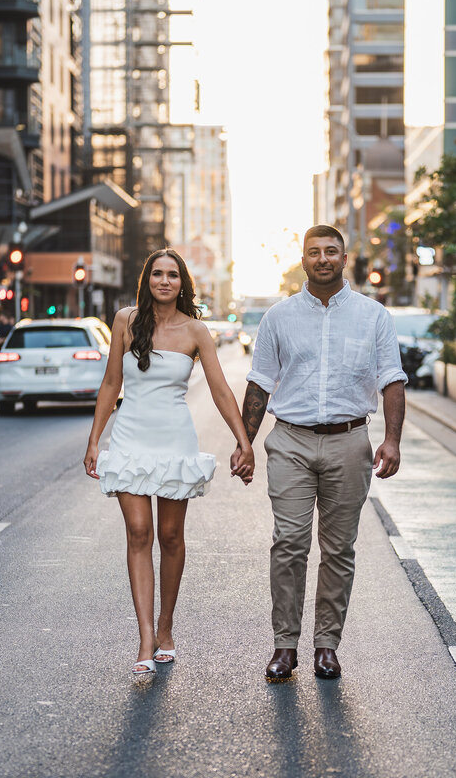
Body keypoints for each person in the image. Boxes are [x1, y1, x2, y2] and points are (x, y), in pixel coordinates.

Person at [241, 224, 406, 682]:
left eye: (331, 251)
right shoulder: (278, 317)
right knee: (289, 543)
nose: (323, 259)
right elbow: (259, 383)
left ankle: (326, 646)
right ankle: (285, 645)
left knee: (338, 549)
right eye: (314, 252)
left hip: (350, 441)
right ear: (303, 261)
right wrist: (245, 443)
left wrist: (392, 439)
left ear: (344, 259)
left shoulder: (373, 316)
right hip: (290, 441)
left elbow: (392, 379)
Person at [84, 249, 255, 677]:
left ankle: (166, 625)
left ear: (182, 284)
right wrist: (94, 440)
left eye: (172, 275)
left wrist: (244, 440)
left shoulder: (196, 330)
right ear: (147, 280)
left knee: (171, 535)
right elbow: (111, 383)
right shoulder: (125, 321)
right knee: (139, 532)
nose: (164, 281)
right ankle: (145, 636)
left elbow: (220, 389)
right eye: (157, 273)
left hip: (175, 439)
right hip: (130, 437)